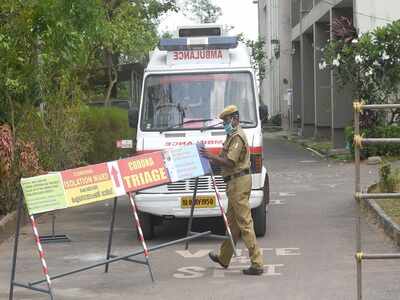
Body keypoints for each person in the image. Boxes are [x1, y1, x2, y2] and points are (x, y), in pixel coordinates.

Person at [200, 105, 264, 275]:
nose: (225, 124)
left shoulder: (237, 137)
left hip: (239, 183)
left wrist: (209, 156)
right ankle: (224, 257)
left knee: (244, 223)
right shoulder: (230, 136)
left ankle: (257, 263)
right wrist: (207, 159)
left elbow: (229, 162)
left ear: (235, 119)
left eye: (226, 121)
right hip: (234, 183)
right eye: (223, 122)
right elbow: (221, 159)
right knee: (232, 224)